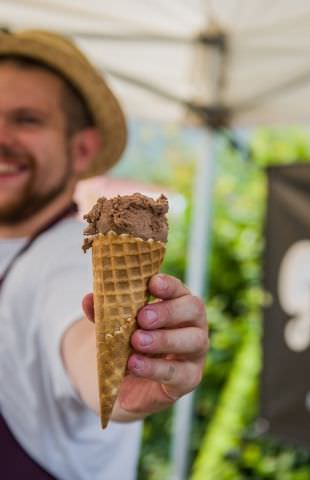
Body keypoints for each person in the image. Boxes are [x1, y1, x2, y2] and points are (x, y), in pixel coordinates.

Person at [0, 30, 209, 479]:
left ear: (83, 149)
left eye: (27, 120)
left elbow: (81, 339)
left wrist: (118, 373)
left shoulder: (70, 259)